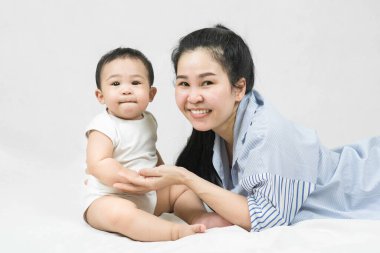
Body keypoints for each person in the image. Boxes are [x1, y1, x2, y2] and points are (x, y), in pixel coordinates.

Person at [115, 25, 380, 232]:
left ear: (239, 88)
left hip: (368, 182)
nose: (193, 96)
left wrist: (185, 178)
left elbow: (265, 219)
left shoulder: (267, 133)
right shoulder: (216, 133)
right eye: (184, 84)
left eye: (207, 83)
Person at [83, 47, 230, 242]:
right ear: (100, 96)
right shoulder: (103, 126)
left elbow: (149, 151)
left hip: (149, 193)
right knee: (120, 214)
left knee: (180, 188)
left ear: (151, 94)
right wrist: (130, 178)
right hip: (111, 196)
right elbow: (98, 163)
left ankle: (198, 216)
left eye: (135, 83)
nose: (126, 89)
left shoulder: (149, 120)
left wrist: (161, 172)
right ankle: (172, 232)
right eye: (116, 83)